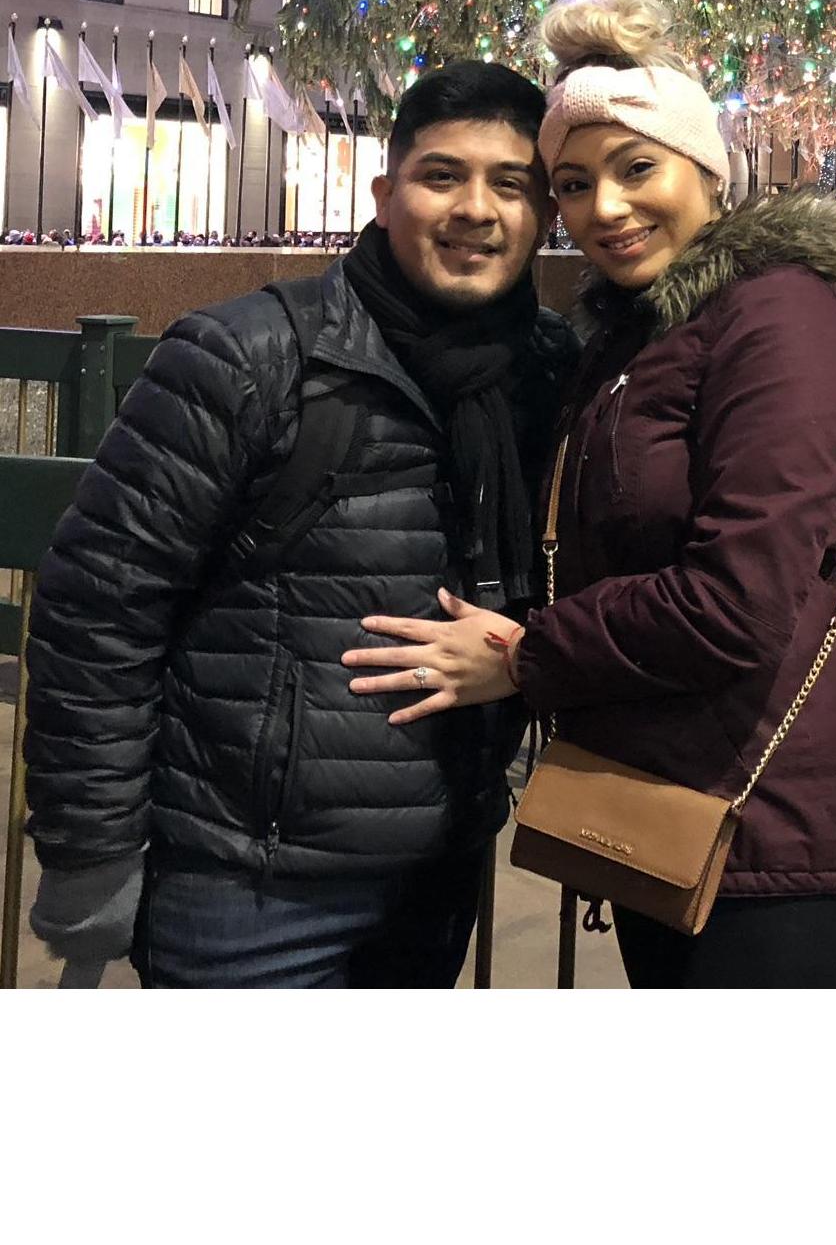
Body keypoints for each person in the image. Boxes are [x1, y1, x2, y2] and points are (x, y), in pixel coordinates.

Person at [349, 0, 836, 988]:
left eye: (635, 168)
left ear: (706, 168)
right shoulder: (641, 334)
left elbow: (736, 600)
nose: (604, 208)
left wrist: (530, 656)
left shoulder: (780, 313)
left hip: (784, 846)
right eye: (571, 184)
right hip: (679, 819)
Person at [24, 62, 577, 987]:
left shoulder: (550, 369)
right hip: (249, 886)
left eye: (509, 183)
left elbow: (666, 477)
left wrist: (821, 507)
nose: (475, 208)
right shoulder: (246, 355)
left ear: (543, 216)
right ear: (384, 191)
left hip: (439, 870)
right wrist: (91, 856)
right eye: (442, 175)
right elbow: (97, 612)